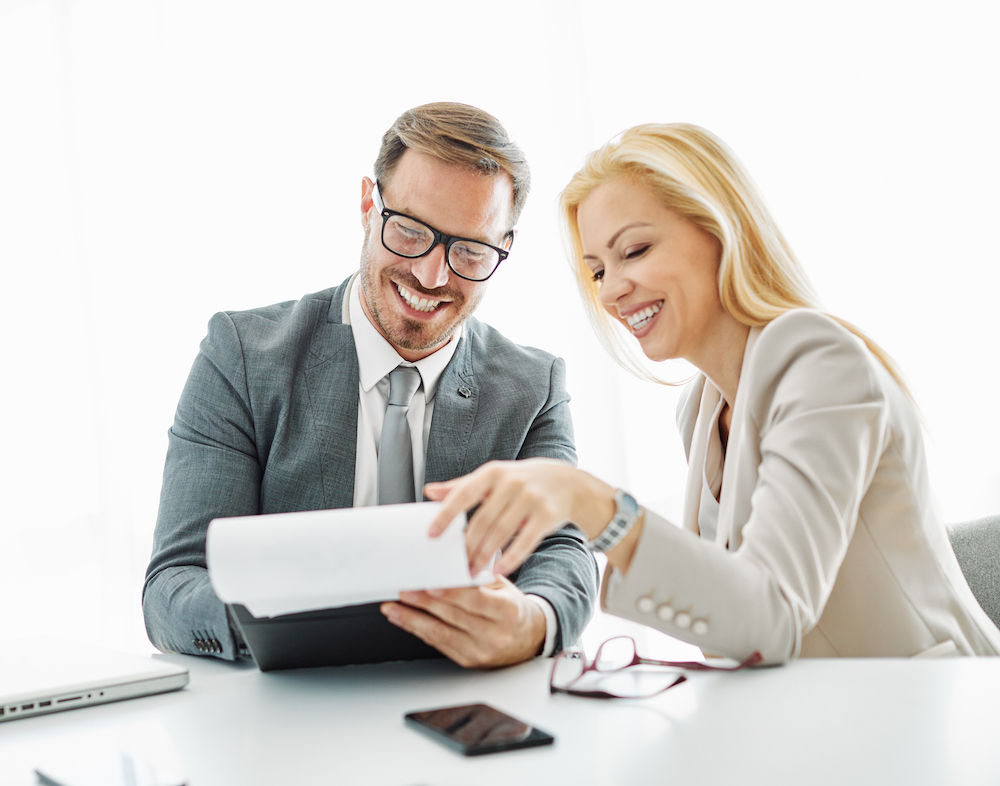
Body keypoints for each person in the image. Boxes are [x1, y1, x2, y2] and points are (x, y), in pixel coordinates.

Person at [427, 123, 1000, 661]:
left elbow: (770, 616)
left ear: (718, 230)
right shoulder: (700, 408)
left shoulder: (817, 358)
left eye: (635, 251)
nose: (613, 291)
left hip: (939, 717)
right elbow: (735, 628)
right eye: (598, 270)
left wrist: (592, 502)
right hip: (818, 724)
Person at [143, 102, 598, 668]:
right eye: (410, 232)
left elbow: (564, 552)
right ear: (368, 206)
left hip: (460, 704)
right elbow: (171, 584)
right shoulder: (241, 357)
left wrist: (533, 623)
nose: (433, 276)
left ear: (505, 248)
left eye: (471, 251)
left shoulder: (534, 387)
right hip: (287, 715)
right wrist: (279, 623)